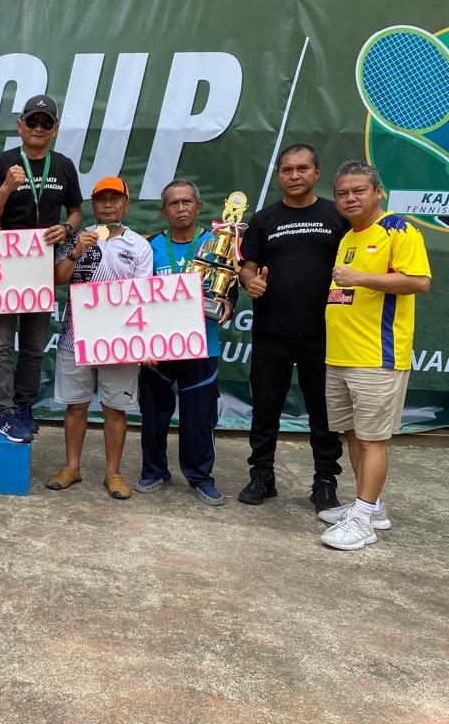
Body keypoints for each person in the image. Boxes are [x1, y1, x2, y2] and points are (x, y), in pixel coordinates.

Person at [318, 161, 430, 550]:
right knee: (353, 433)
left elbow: (419, 281)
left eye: (358, 191)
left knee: (371, 439)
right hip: (341, 355)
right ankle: (371, 506)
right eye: (342, 193)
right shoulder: (349, 236)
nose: (349, 198)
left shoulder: (399, 228)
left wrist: (361, 278)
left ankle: (363, 520)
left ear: (378, 192)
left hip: (376, 356)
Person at [237, 144, 350, 511]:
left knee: (324, 412)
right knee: (265, 409)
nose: (295, 175)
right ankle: (262, 476)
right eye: (287, 170)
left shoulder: (337, 215)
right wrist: (250, 282)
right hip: (272, 331)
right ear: (278, 176)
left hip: (325, 332)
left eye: (302, 168)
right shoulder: (263, 219)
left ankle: (325, 482)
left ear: (317, 172)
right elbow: (247, 267)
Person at [0, 94, 83, 443]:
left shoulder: (63, 165)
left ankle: (24, 406)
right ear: (20, 125)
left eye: (46, 122)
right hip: (3, 265)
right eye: (32, 121)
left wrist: (66, 229)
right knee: (1, 343)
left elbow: (76, 211)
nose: (38, 127)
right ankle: (5, 410)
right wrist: (7, 187)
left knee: (34, 346)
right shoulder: (2, 163)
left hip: (42, 265)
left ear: (54, 129)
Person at [47, 177, 152, 498]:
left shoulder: (139, 246)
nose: (108, 204)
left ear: (126, 204)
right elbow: (56, 280)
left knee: (114, 409)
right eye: (101, 198)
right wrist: (76, 251)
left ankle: (113, 473)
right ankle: (72, 467)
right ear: (93, 204)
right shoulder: (76, 238)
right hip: (75, 336)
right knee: (75, 406)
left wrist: (143, 341)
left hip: (119, 341)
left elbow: (144, 296)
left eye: (115, 198)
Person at [137, 181, 235, 505]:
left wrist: (229, 304)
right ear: (163, 211)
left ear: (198, 206)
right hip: (158, 348)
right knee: (154, 414)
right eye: (173, 203)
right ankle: (154, 471)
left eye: (187, 201)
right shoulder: (150, 246)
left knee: (199, 417)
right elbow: (137, 297)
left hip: (202, 344)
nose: (181, 208)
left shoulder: (217, 243)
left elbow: (229, 287)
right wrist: (141, 342)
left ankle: (200, 476)